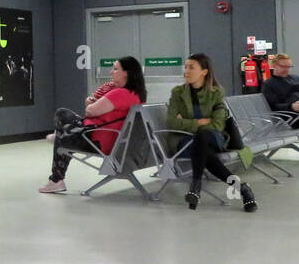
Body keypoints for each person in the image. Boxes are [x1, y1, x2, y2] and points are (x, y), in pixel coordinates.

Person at [38, 56, 146, 194]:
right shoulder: (137, 95)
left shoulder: (119, 93)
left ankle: (56, 177)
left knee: (61, 115)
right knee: (65, 127)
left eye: (115, 69)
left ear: (126, 73)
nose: (111, 72)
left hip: (98, 141)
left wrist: (92, 101)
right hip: (116, 141)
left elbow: (90, 110)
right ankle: (60, 136)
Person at [167, 53, 257, 211]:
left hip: (214, 138)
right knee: (203, 149)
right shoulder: (177, 93)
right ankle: (242, 189)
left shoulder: (216, 93)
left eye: (191, 67)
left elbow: (216, 124)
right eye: (186, 67)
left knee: (203, 136)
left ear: (204, 72)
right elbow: (171, 122)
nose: (186, 71)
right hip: (185, 141)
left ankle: (196, 186)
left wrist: (187, 122)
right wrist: (199, 122)